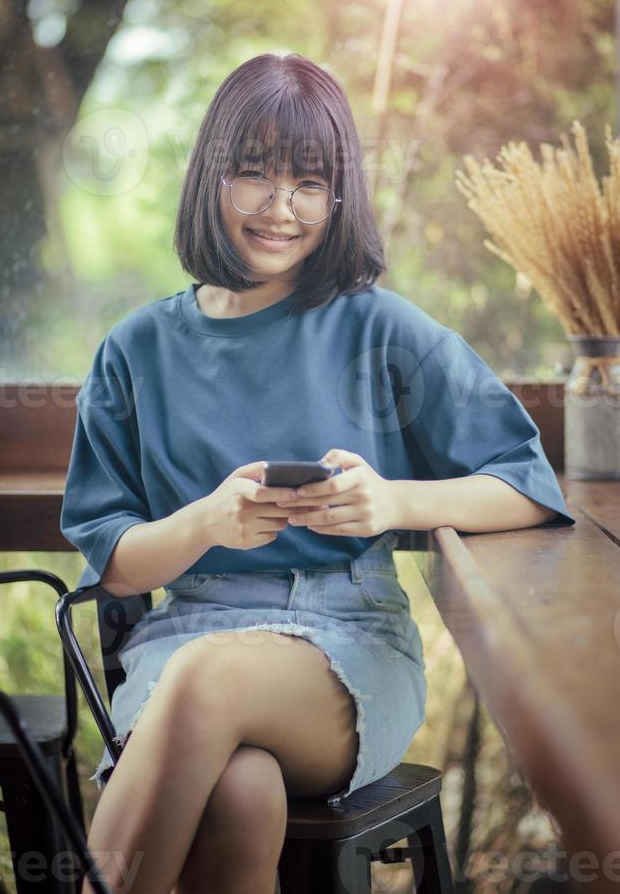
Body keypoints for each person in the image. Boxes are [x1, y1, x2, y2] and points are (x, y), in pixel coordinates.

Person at [60, 51, 576, 894]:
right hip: (185, 635)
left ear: (338, 199)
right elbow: (111, 561)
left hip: (350, 646)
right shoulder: (135, 349)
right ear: (210, 178)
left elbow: (526, 483)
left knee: (209, 681)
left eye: (309, 183)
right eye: (254, 174)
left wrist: (389, 500)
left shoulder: (383, 329)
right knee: (242, 792)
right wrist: (205, 524)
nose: (281, 208)